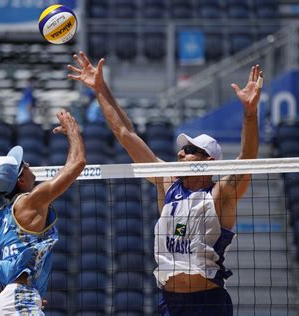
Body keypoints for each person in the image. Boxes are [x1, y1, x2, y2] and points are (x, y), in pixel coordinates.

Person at [68, 51, 262, 315]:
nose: (181, 153)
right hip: (169, 303)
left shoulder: (220, 194)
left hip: (207, 302)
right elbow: (126, 134)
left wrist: (250, 114)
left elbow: (248, 159)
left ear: (210, 161)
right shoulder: (167, 182)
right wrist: (100, 88)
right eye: (182, 149)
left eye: (190, 149)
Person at [0, 110, 86, 315]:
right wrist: (73, 130)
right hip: (21, 300)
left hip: (7, 303)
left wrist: (6, 296)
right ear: (20, 180)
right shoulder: (32, 200)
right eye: (24, 165)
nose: (29, 164)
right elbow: (78, 163)